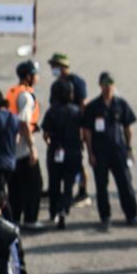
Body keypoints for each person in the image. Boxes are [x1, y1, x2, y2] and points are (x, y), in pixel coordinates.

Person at [81, 72, 137, 229]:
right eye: (105, 84)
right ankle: (105, 217)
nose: (108, 87)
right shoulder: (93, 107)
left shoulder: (120, 104)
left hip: (119, 151)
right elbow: (87, 131)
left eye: (110, 84)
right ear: (100, 85)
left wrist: (129, 148)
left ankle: (132, 215)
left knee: (125, 183)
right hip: (99, 152)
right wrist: (90, 153)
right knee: (101, 186)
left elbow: (127, 127)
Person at [5, 61, 43, 230]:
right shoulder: (26, 97)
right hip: (23, 149)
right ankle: (30, 219)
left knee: (15, 188)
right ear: (28, 76)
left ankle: (14, 220)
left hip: (11, 148)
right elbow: (24, 123)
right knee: (35, 184)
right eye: (35, 74)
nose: (38, 77)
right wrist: (32, 148)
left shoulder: (12, 92)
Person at [48, 53, 90, 205]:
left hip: (74, 128)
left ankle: (83, 192)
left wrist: (83, 130)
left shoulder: (76, 82)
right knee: (58, 161)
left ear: (63, 67)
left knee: (78, 161)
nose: (52, 69)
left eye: (55, 66)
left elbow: (84, 104)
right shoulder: (56, 85)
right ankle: (58, 190)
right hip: (59, 130)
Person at [40, 79, 83, 229]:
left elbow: (45, 134)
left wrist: (51, 144)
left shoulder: (51, 111)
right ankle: (64, 208)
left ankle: (53, 212)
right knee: (69, 184)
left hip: (56, 152)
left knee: (54, 183)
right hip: (73, 151)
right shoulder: (76, 111)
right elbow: (82, 131)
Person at [0, 92, 18, 205]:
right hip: (11, 161)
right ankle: (13, 218)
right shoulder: (13, 117)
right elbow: (18, 138)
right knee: (10, 193)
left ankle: (6, 219)